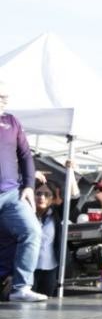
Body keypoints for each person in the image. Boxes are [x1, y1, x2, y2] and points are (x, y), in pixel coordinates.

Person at [0, 80, 46, 302]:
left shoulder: (11, 121)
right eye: (0, 96)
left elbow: (26, 155)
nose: (4, 101)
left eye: (5, 97)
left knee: (32, 231)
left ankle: (21, 288)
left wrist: (28, 185)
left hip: (12, 193)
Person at [31, 180, 63, 297]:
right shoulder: (25, 213)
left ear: (53, 198)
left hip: (49, 267)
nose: (42, 197)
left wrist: (71, 174)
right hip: (29, 268)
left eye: (47, 194)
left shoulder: (55, 214)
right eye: (38, 193)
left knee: (46, 301)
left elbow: (74, 198)